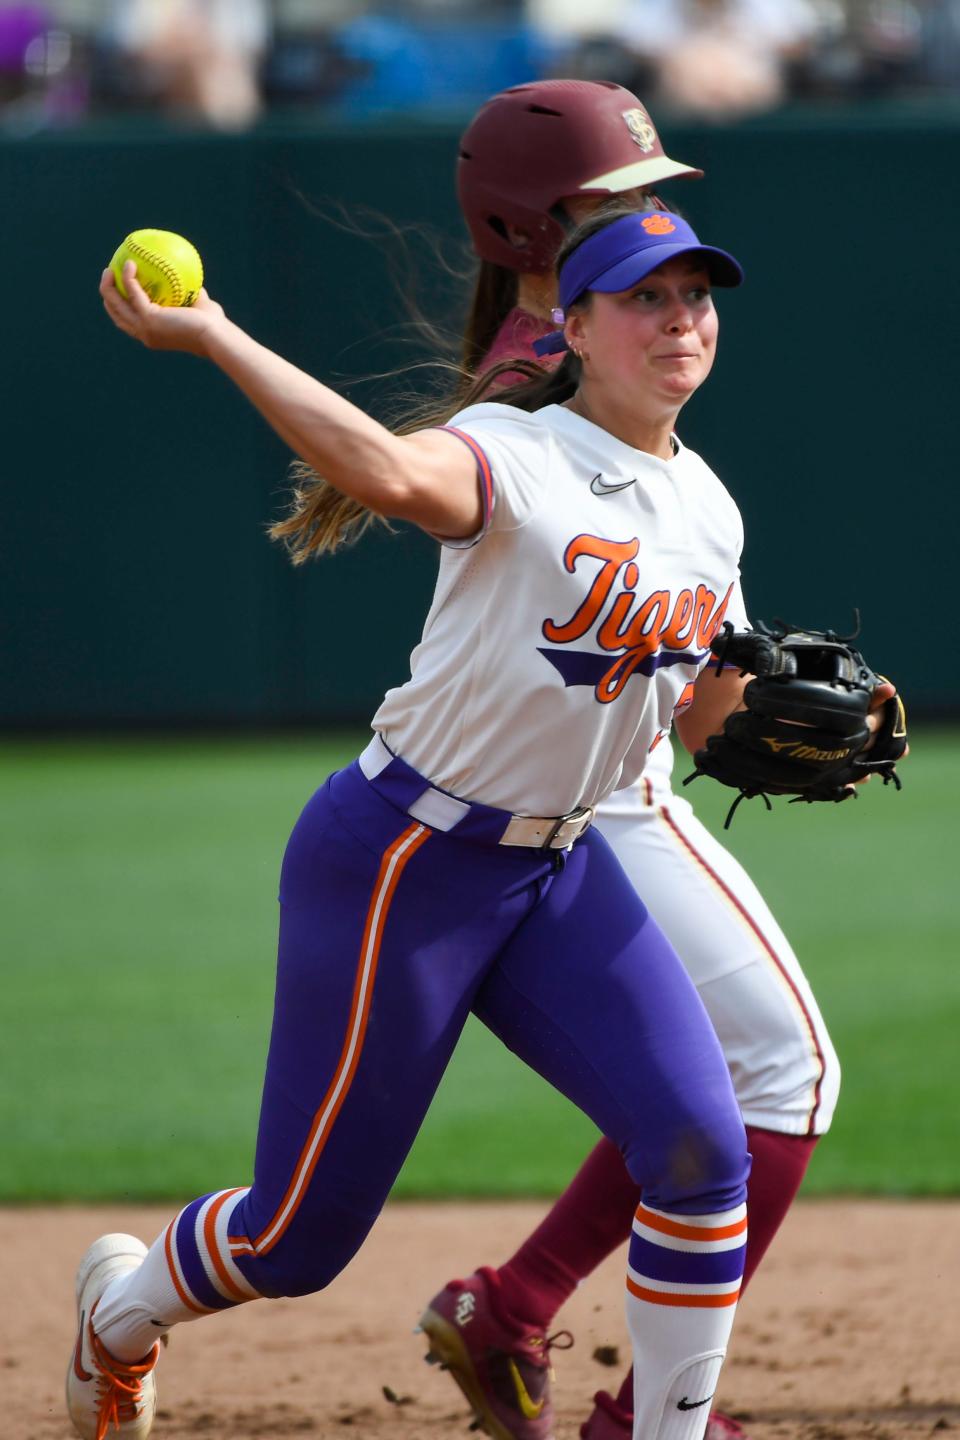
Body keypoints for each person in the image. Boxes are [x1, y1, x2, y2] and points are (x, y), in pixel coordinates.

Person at [76, 203, 757, 1440]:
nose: (681, 319)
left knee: (705, 1150)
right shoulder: (514, 450)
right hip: (404, 859)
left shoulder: (706, 506)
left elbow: (703, 716)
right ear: (579, 326)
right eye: (648, 297)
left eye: (698, 295)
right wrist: (219, 334)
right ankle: (119, 1316)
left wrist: (792, 716)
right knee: (296, 1240)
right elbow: (387, 473)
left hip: (555, 870)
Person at [417, 81, 841, 1440]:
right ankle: (645, 1413)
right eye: (618, 188)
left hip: (584, 784)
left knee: (714, 1087)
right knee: (786, 1077)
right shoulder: (540, 382)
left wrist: (739, 664)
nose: (653, 205)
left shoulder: (562, 347)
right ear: (546, 229)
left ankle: (519, 1305)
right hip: (584, 800)